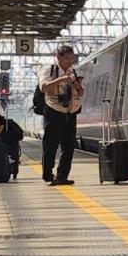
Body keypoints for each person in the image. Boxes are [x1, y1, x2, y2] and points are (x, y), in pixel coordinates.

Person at [39, 45, 84, 185]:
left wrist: (76, 84)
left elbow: (81, 92)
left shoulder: (73, 72)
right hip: (53, 110)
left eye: (72, 58)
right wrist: (62, 79)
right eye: (67, 58)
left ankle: (62, 175)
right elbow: (44, 87)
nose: (70, 61)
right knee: (50, 144)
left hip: (70, 111)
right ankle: (47, 173)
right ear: (58, 57)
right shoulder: (49, 69)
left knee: (69, 145)